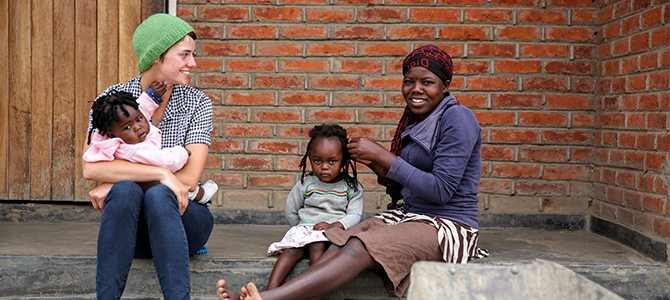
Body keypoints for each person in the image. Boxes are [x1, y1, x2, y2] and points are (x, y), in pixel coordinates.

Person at [216, 44, 489, 300]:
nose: (415, 89)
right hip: (411, 215)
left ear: (446, 85)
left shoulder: (458, 118)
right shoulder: (417, 121)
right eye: (409, 81)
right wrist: (373, 161)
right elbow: (405, 183)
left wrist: (383, 155)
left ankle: (265, 298)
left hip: (447, 225)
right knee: (340, 239)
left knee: (360, 245)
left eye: (427, 82)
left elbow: (440, 191)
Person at [82, 13, 214, 300]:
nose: (193, 63)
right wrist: (161, 174)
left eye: (192, 55)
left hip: (185, 221)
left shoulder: (198, 103)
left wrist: (114, 178)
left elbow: (190, 179)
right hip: (133, 231)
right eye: (184, 55)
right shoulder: (112, 100)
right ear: (157, 56)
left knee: (149, 194)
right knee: (127, 191)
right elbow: (90, 168)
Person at [83, 81, 217, 204]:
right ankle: (199, 194)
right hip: (159, 192)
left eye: (139, 119)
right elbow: (163, 160)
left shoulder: (127, 125)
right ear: (113, 135)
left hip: (147, 185)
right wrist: (182, 153)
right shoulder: (136, 150)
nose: (137, 127)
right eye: (127, 127)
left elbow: (143, 110)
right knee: (176, 192)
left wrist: (152, 96)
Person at [266, 124, 363, 290]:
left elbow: (354, 215)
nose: (324, 167)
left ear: (344, 160)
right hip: (306, 229)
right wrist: (301, 229)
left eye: (332, 161)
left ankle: (311, 287)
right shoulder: (306, 183)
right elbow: (291, 210)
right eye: (317, 161)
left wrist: (334, 226)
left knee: (316, 244)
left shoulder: (351, 187)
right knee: (291, 251)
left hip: (333, 233)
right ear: (309, 158)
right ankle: (270, 291)